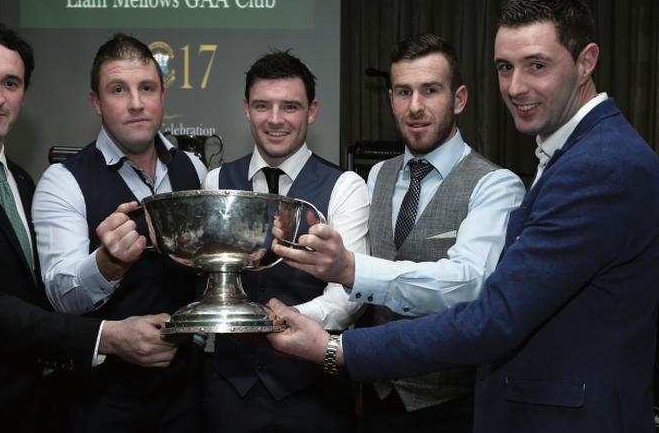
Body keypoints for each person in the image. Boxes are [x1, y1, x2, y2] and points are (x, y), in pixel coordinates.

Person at [267, 0, 659, 433]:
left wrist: (334, 349)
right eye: (505, 67)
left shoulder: (598, 165)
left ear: (586, 62)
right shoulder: (574, 154)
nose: (516, 87)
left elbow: (492, 314)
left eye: (537, 65)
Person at [0, 26, 189, 433]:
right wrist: (105, 334)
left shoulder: (19, 180)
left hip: (32, 404)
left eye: (10, 83)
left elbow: (30, 293)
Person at [270, 34, 524, 432]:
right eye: (403, 92)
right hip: (374, 396)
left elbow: (471, 286)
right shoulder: (378, 176)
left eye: (431, 90)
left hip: (451, 405)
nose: (416, 106)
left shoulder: (495, 185)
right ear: (390, 99)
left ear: (458, 99)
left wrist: (351, 269)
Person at [32, 33, 208, 432]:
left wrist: (196, 341)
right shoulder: (63, 182)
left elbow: (203, 273)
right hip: (102, 400)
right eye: (118, 89)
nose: (135, 102)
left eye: (146, 88)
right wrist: (106, 264)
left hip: (187, 395)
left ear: (162, 95)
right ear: (96, 102)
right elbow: (60, 296)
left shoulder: (193, 170)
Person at [201, 50, 370, 433]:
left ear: (312, 111)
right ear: (246, 109)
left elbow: (349, 294)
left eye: (290, 107)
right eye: (263, 105)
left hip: (314, 396)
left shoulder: (345, 187)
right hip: (230, 394)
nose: (275, 120)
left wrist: (277, 323)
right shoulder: (215, 182)